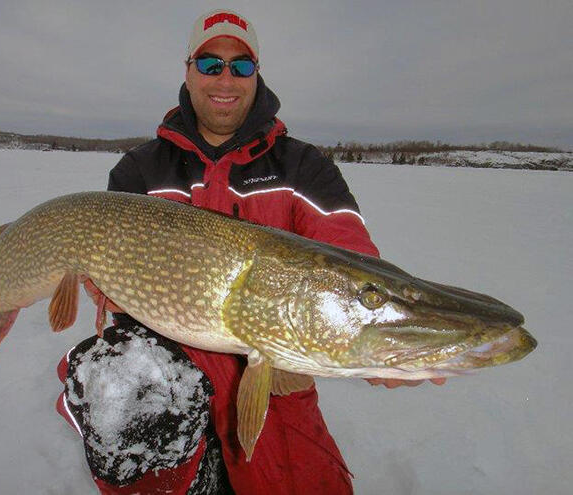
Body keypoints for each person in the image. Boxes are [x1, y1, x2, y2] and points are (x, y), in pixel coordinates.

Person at [56, 8, 444, 494]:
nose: (226, 78)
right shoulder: (140, 172)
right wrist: (105, 287)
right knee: (129, 408)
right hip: (168, 385)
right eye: (210, 63)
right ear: (189, 70)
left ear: (257, 74)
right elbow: (110, 271)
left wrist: (373, 335)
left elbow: (346, 258)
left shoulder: (304, 167)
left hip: (278, 385)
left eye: (241, 66)